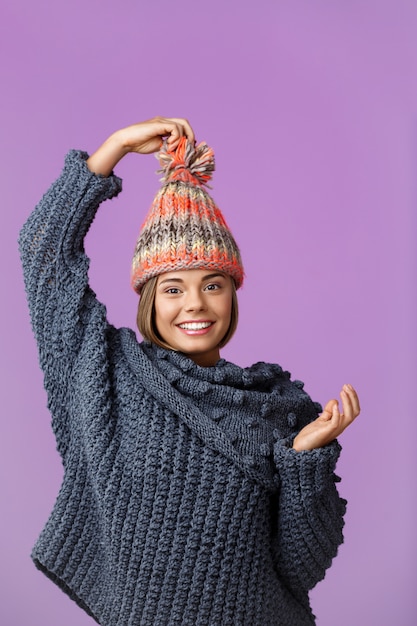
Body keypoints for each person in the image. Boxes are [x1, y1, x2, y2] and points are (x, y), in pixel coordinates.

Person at [19, 117, 360, 626]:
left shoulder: (279, 410)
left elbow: (299, 571)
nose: (195, 304)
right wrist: (110, 151)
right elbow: (43, 252)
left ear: (232, 293)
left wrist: (305, 460)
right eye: (173, 287)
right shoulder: (106, 372)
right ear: (150, 299)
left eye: (214, 284)